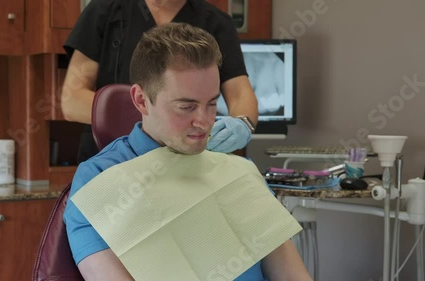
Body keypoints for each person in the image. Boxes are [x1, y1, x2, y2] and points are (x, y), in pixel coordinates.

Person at [64, 23, 312, 281]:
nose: (204, 122)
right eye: (186, 106)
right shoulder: (99, 180)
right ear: (140, 100)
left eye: (212, 104)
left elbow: (293, 275)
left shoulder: (236, 170)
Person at [61, 0, 258, 163]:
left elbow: (240, 93)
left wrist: (242, 124)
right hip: (112, 160)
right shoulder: (104, 11)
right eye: (186, 105)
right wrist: (158, 120)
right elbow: (72, 101)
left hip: (188, 165)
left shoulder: (215, 22)